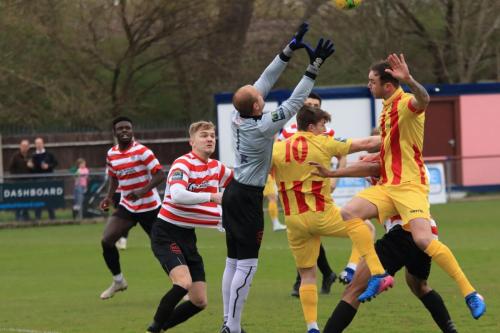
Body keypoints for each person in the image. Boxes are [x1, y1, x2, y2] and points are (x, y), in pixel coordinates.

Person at [336, 54, 485, 316]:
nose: (368, 85)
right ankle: (379, 273)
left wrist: (410, 80)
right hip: (389, 187)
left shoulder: (406, 103)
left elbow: (424, 100)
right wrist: (333, 168)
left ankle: (470, 292)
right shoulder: (384, 111)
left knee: (423, 239)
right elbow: (382, 148)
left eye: (372, 81)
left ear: (388, 84)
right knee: (348, 212)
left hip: (410, 186)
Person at [220, 22, 335, 333]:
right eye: (259, 97)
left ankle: (230, 324)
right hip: (246, 198)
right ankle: (232, 327)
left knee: (232, 261)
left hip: (233, 190)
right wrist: (314, 66)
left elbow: (265, 80)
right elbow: (296, 102)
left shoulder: (237, 114)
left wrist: (288, 49)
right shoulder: (262, 126)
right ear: (257, 106)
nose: (261, 93)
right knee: (247, 264)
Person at [311, 156, 459, 333]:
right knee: (419, 286)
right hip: (426, 231)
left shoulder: (387, 162)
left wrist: (334, 172)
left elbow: (371, 168)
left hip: (401, 235)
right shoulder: (413, 166)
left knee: (353, 291)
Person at [271, 105, 381, 333]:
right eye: (322, 125)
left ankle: (312, 327)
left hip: (294, 221)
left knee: (307, 275)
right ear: (311, 127)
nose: (325, 129)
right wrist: (396, 135)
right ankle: (355, 270)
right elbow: (367, 144)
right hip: (322, 214)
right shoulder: (323, 142)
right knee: (367, 228)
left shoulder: (277, 149)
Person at [146, 121, 233, 333]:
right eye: (204, 135)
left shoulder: (217, 167)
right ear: (191, 141)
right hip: (165, 233)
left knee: (199, 300)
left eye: (212, 135)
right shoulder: (182, 164)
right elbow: (177, 195)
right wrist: (212, 196)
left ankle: (160, 327)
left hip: (187, 236)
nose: (210, 139)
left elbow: (237, 185)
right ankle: (153, 330)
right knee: (183, 283)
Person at [99, 116, 165, 300]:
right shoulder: (111, 153)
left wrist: (142, 191)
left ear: (132, 130)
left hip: (151, 208)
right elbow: (113, 177)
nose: (125, 131)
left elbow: (160, 175)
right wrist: (109, 197)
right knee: (107, 240)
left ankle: (184, 285)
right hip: (128, 207)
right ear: (115, 132)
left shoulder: (143, 151)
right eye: (120, 129)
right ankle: (118, 281)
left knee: (162, 248)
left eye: (128, 128)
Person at [282, 92, 342, 297]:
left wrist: (334, 178)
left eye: (316, 104)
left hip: (317, 190)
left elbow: (340, 155)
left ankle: (305, 279)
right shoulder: (288, 131)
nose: (312, 106)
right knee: (309, 232)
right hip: (295, 192)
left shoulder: (327, 131)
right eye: (308, 104)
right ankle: (322, 274)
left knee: (309, 232)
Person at [32, 137, 58, 220]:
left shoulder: (49, 154)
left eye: (40, 143)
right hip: (37, 180)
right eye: (37, 143)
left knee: (49, 198)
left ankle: (52, 217)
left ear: (43, 144)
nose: (39, 145)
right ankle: (37, 217)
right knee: (38, 199)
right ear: (35, 145)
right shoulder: (33, 155)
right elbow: (31, 168)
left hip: (48, 179)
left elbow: (55, 163)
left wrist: (48, 166)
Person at [8, 139, 33, 221]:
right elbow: (11, 168)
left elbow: (35, 169)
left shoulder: (31, 156)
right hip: (18, 182)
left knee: (27, 199)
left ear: (28, 147)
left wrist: (31, 167)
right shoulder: (15, 156)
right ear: (20, 146)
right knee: (18, 200)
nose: (24, 148)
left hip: (28, 182)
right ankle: (18, 216)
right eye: (23, 146)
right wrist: (16, 177)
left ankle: (26, 215)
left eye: (26, 146)